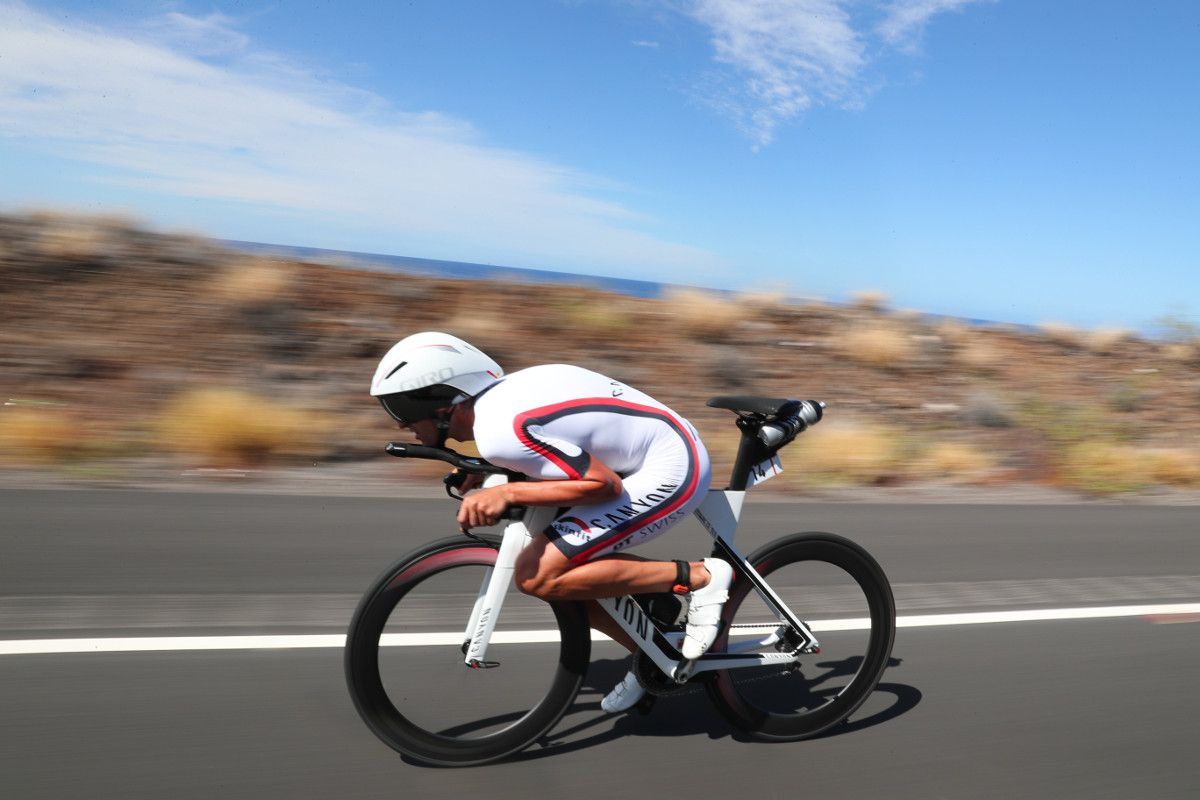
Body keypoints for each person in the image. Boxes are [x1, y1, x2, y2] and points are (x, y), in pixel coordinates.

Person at [370, 331, 731, 713]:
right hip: (642, 457)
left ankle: (700, 577)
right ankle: (656, 655)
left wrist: (506, 493)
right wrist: (496, 475)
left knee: (538, 575)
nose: (399, 426)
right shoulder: (497, 406)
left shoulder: (499, 431)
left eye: (402, 411)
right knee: (563, 581)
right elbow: (551, 449)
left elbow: (602, 484)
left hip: (672, 465)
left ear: (444, 405)